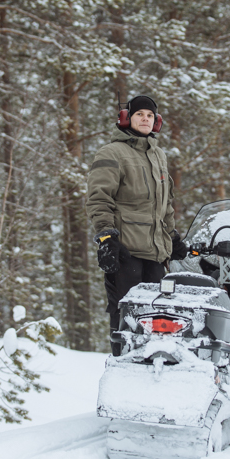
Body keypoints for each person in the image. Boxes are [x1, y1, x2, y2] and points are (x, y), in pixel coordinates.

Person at [86, 95, 188, 354]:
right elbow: (99, 198)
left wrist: (171, 236)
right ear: (126, 119)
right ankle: (123, 365)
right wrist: (107, 238)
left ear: (156, 122)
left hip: (155, 254)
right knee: (127, 314)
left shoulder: (158, 155)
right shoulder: (111, 153)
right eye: (140, 114)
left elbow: (164, 204)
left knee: (158, 316)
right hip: (126, 252)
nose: (145, 118)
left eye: (150, 115)